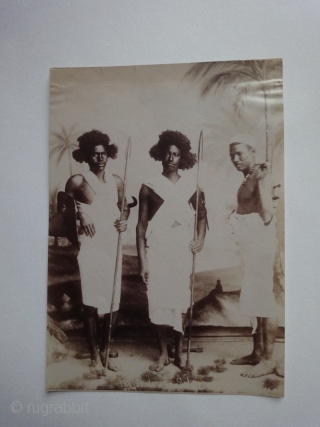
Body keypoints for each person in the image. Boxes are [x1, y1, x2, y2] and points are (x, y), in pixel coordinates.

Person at [136, 130, 207, 372]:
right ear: (160, 154)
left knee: (179, 299)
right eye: (167, 153)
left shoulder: (191, 186)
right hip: (157, 249)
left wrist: (200, 240)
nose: (171, 158)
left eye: (176, 154)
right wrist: (142, 262)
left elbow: (202, 217)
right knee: (157, 298)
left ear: (182, 157)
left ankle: (178, 352)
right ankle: (163, 353)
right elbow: (141, 226)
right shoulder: (149, 187)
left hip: (180, 250)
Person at [65, 130, 129, 372]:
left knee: (112, 303)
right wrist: (81, 215)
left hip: (113, 244)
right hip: (91, 246)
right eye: (95, 154)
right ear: (87, 156)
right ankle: (94, 356)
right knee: (91, 301)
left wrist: (124, 220)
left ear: (108, 154)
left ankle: (104, 352)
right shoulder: (78, 181)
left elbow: (124, 208)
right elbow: (63, 208)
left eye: (103, 154)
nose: (100, 158)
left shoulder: (117, 181)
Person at [228, 134, 278, 378]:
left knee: (263, 300)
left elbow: (267, 215)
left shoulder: (262, 175)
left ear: (253, 151)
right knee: (254, 298)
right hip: (251, 245)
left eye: (240, 153)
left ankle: (268, 360)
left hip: (261, 244)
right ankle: (257, 353)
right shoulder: (252, 175)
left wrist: (260, 180)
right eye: (232, 155)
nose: (235, 158)